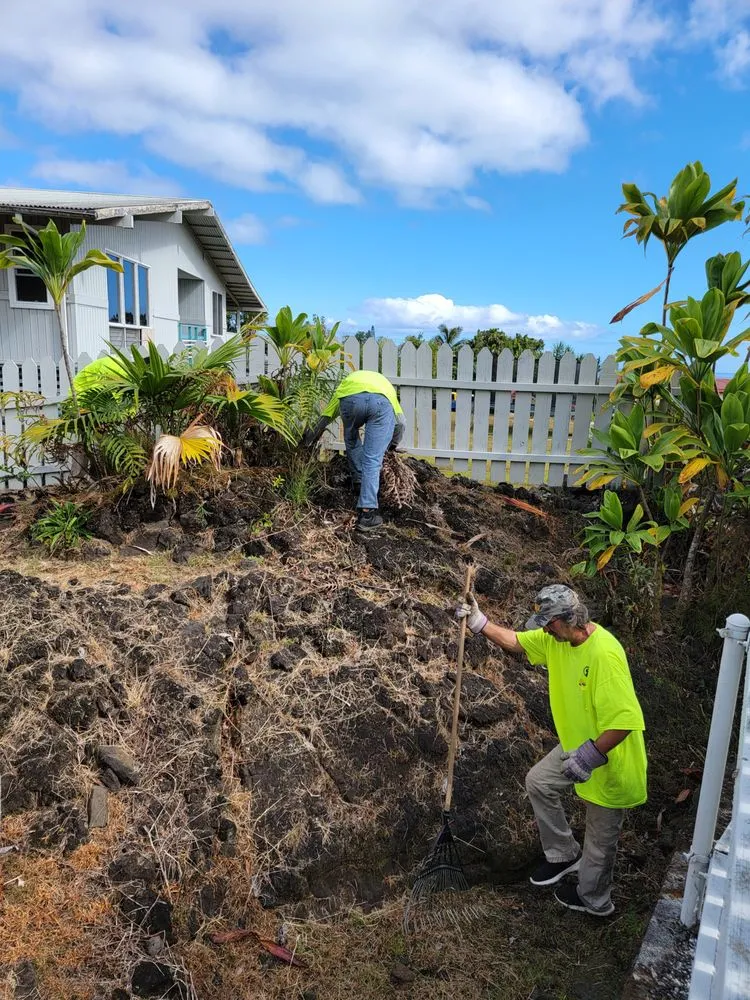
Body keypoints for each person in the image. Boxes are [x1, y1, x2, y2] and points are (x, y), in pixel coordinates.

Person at [455, 583, 647, 916]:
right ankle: (563, 854)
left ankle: (595, 902)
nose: (545, 629)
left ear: (571, 618)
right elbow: (516, 641)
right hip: (575, 746)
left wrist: (589, 757)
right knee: (539, 782)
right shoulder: (555, 641)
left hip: (612, 762)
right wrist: (478, 621)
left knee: (599, 846)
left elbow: (625, 721)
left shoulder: (604, 654)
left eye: (550, 623)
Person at [303, 370, 406, 531]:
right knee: (372, 458)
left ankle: (358, 481)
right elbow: (400, 424)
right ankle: (367, 514)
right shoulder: (386, 388)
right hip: (381, 402)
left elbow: (325, 418)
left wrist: (306, 442)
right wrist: (392, 445)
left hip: (350, 399)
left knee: (351, 440)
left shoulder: (347, 384)